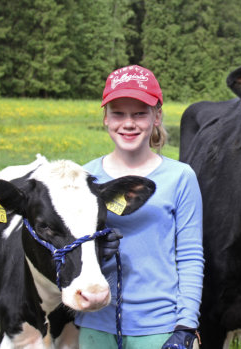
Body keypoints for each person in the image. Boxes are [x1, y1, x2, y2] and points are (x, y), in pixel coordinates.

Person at [76, 65, 204, 349]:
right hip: (95, 324)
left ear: (157, 116)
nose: (128, 123)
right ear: (105, 119)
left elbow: (191, 256)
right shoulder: (84, 178)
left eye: (139, 113)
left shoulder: (180, 177)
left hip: (160, 328)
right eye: (118, 113)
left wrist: (186, 326)